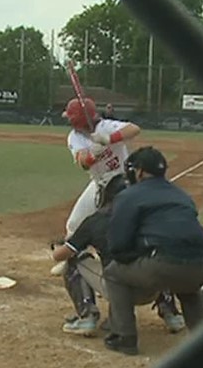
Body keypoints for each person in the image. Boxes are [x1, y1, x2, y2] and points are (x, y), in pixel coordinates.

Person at [101, 146, 203, 356]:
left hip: (161, 267)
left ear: (141, 171)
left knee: (113, 273)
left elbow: (118, 245)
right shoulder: (182, 195)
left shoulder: (129, 195)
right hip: (200, 269)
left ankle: (124, 336)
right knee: (188, 286)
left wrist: (135, 255)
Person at [48, 175, 188, 336]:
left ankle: (87, 316)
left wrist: (57, 247)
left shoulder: (94, 221)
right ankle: (171, 313)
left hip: (120, 290)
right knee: (160, 254)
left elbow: (60, 256)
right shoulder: (151, 217)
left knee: (75, 260)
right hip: (154, 287)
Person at [51, 95, 140, 277]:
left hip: (123, 182)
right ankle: (70, 259)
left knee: (124, 224)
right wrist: (95, 153)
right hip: (99, 183)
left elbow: (134, 129)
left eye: (70, 117)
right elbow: (83, 163)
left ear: (78, 119)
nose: (68, 120)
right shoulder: (74, 137)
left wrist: (109, 139)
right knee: (74, 223)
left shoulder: (106, 127)